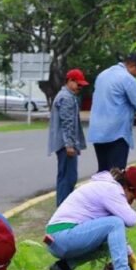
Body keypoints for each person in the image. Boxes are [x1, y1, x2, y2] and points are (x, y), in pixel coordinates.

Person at [44, 166, 136, 270]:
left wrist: (131, 256)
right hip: (62, 235)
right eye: (132, 198)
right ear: (128, 188)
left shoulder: (107, 186)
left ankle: (64, 267)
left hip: (57, 238)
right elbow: (131, 220)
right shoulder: (111, 189)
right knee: (115, 222)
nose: (130, 203)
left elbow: (117, 239)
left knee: (110, 244)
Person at [88, 52, 136, 171]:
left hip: (98, 132)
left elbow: (112, 101)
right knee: (117, 174)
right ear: (134, 66)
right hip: (116, 134)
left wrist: (130, 116)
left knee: (103, 172)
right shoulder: (127, 79)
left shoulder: (103, 75)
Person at [48, 68, 89, 206]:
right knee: (68, 178)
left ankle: (63, 207)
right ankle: (64, 208)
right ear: (70, 81)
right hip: (65, 145)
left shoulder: (64, 95)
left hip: (64, 144)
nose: (80, 88)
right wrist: (70, 145)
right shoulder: (66, 98)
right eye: (78, 84)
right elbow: (67, 123)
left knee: (64, 176)